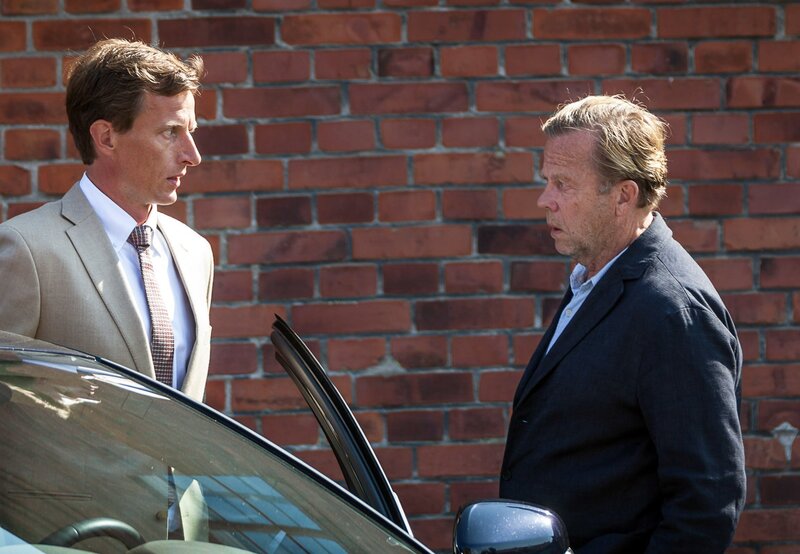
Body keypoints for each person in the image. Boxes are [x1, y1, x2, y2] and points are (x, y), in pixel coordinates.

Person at [500, 95, 746, 553]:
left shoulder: (673, 310)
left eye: (563, 184)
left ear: (623, 195)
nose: (545, 200)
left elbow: (706, 505)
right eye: (547, 181)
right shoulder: (594, 277)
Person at [0, 39, 213, 402]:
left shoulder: (195, 252)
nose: (192, 155)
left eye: (190, 131)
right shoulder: (27, 250)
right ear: (106, 137)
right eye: (170, 132)